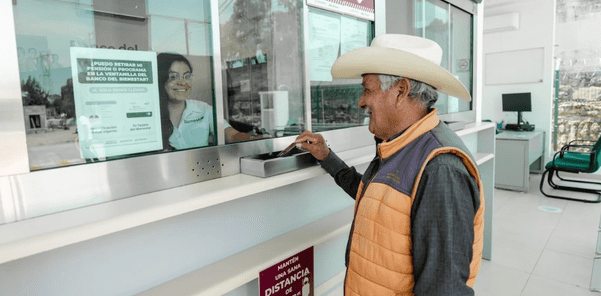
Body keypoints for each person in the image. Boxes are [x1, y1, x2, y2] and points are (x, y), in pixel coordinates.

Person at [293, 34, 484, 296]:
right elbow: (377, 198)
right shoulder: (399, 144)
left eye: (368, 89)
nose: (361, 101)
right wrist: (326, 156)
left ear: (401, 91)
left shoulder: (441, 169)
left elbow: (444, 289)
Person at [158, 53, 259, 150]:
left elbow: (231, 135)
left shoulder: (203, 109)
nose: (182, 82)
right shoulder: (151, 116)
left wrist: (254, 140)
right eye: (173, 77)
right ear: (161, 79)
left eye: (187, 76)